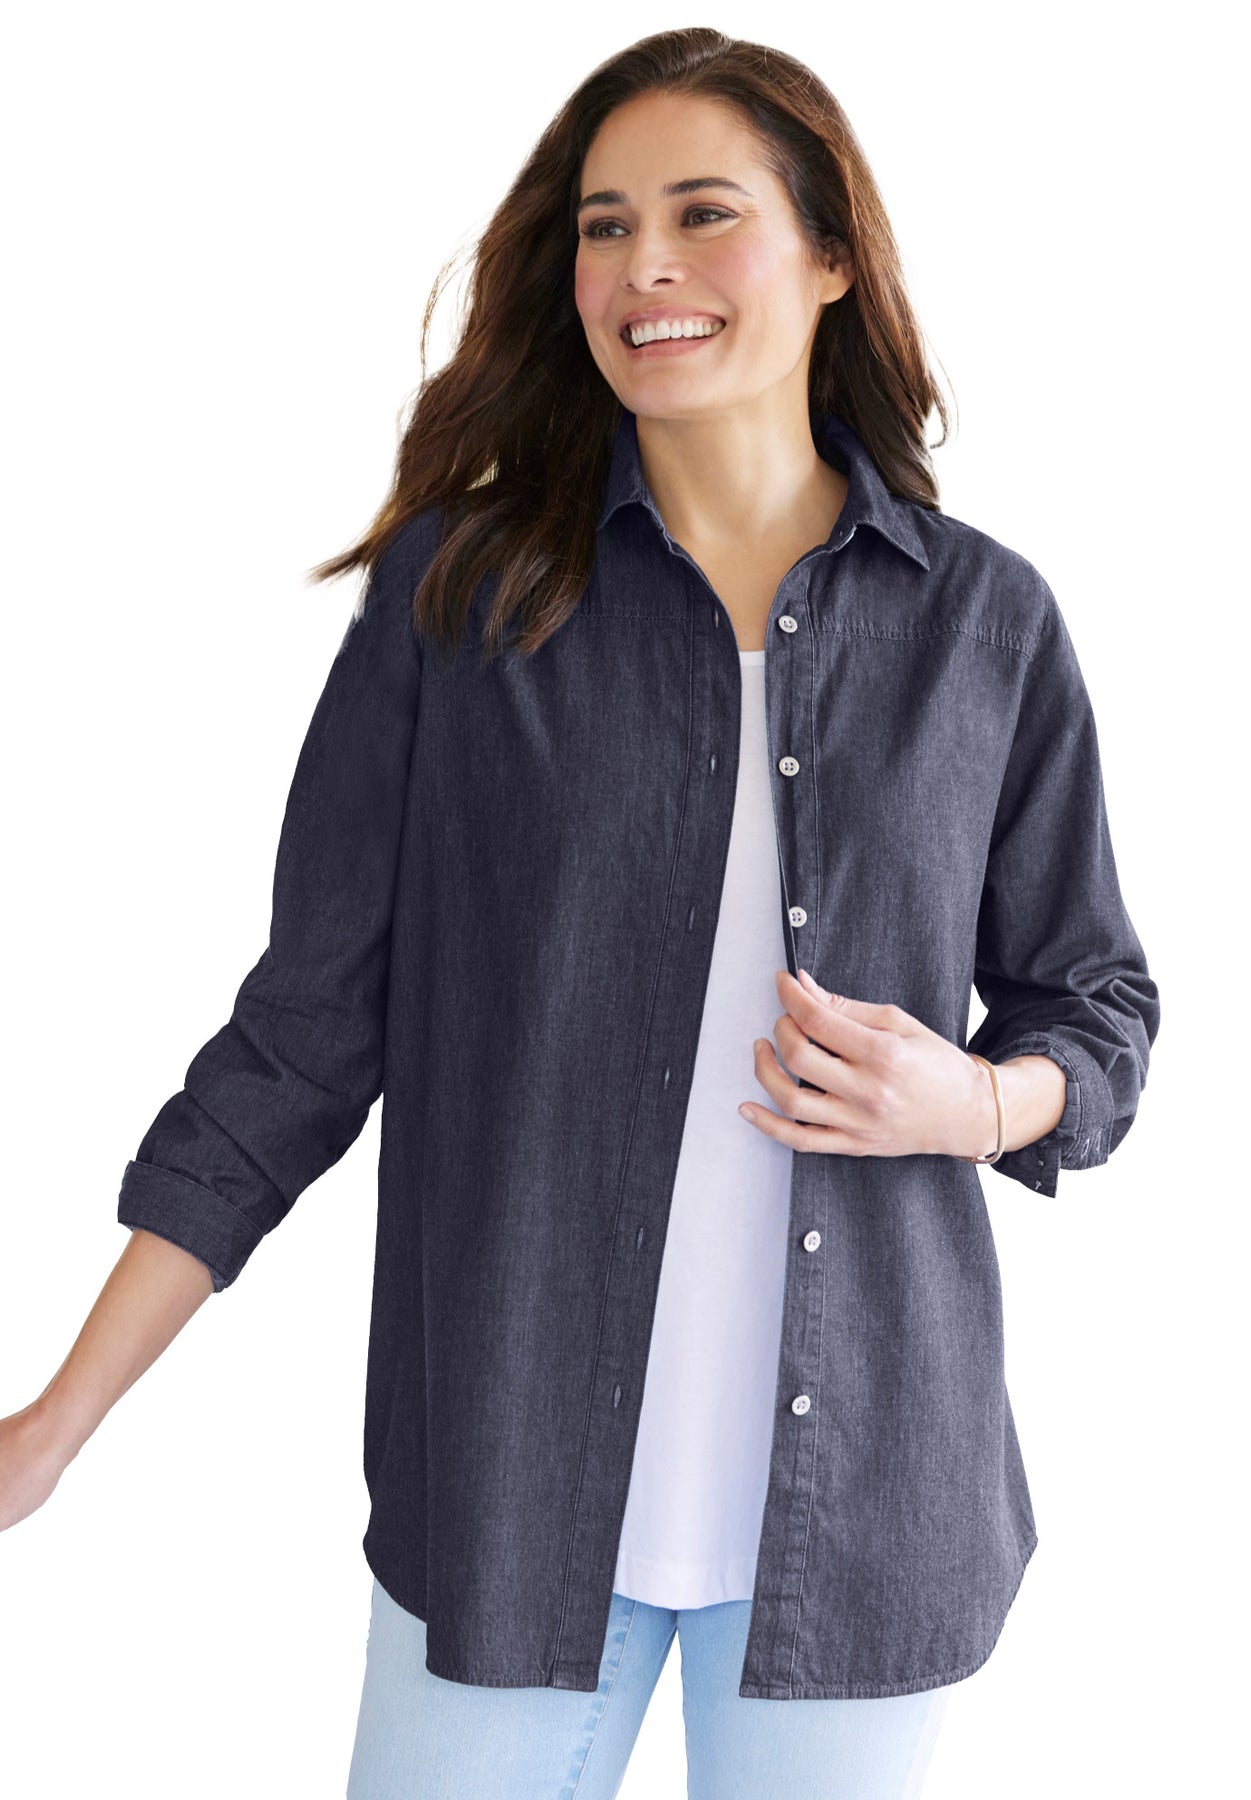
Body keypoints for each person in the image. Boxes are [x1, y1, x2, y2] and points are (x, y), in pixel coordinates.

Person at [0, 27, 1160, 1800]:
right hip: (510, 1499)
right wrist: (53, 1425)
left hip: (868, 1517)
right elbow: (301, 1038)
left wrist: (981, 1100)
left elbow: (1098, 1006)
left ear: (831, 257)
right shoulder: (463, 599)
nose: (645, 268)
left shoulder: (983, 624)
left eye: (705, 214)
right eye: (605, 227)